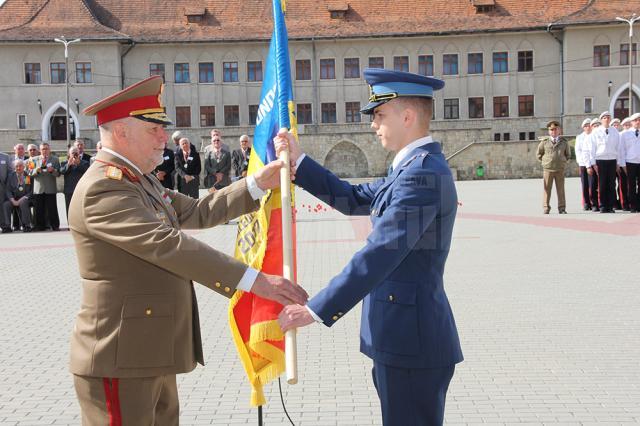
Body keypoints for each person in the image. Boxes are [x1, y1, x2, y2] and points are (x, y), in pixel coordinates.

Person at [69, 76, 308, 425]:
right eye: (154, 129)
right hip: (118, 356)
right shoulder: (104, 188)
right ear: (121, 133)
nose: (164, 137)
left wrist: (257, 184)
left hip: (148, 350)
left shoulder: (140, 179)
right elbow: (167, 245)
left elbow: (196, 211)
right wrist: (254, 281)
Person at [277, 69, 462, 426]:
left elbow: (380, 252)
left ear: (406, 117)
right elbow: (352, 198)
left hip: (412, 340)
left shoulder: (421, 175)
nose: (373, 125)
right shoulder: (409, 169)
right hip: (403, 334)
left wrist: (316, 309)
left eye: (379, 115)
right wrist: (299, 163)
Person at [536, 121, 571, 214]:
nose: (553, 131)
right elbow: (539, 154)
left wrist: (563, 162)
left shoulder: (564, 142)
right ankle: (546, 207)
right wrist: (544, 163)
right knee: (547, 189)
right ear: (549, 131)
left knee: (561, 189)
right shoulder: (544, 142)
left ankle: (562, 208)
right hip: (548, 169)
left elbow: (568, 155)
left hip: (559, 169)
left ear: (559, 130)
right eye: (551, 130)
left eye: (555, 129)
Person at [590, 111, 621, 213]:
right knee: (602, 184)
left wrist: (618, 162)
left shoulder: (615, 131)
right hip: (601, 160)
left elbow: (618, 148)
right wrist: (593, 163)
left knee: (611, 184)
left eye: (608, 117)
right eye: (604, 118)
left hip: (612, 160)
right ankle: (603, 205)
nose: (607, 119)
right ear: (601, 120)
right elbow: (592, 148)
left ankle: (610, 206)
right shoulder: (596, 132)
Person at [26, 142, 60, 231]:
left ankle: (55, 225)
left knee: (52, 208)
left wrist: (53, 170)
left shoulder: (55, 159)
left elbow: (58, 174)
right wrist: (36, 171)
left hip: (50, 187)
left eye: (46, 149)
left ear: (49, 150)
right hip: (38, 188)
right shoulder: (33, 160)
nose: (45, 151)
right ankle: (39, 226)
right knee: (39, 209)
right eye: (43, 149)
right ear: (40, 150)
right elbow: (29, 173)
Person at [3, 159, 32, 232]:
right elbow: (8, 190)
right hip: (13, 198)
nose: (18, 168)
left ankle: (26, 225)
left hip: (25, 198)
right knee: (6, 204)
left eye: (20, 166)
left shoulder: (28, 176)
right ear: (14, 167)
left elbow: (30, 191)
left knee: (23, 203)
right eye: (16, 166)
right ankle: (7, 226)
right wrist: (13, 200)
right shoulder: (10, 176)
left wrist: (20, 200)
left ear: (24, 166)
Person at [575, 118, 598, 211]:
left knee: (593, 184)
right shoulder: (580, 137)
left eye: (589, 125)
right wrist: (583, 163)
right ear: (583, 128)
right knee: (585, 184)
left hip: (593, 163)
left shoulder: (594, 136)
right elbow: (578, 151)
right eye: (586, 126)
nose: (588, 127)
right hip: (583, 164)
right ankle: (586, 202)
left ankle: (594, 202)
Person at [60, 146, 90, 217]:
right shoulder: (64, 163)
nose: (74, 155)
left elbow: (87, 171)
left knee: (81, 209)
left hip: (81, 190)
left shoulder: (84, 163)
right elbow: (62, 171)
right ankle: (70, 225)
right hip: (69, 190)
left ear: (79, 153)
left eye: (76, 153)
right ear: (69, 154)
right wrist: (68, 165)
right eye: (73, 153)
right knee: (69, 208)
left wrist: (78, 164)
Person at [620, 113, 640, 212]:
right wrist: (623, 165)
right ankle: (633, 206)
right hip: (630, 162)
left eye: (639, 120)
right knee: (631, 185)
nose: (638, 122)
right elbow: (622, 151)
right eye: (635, 120)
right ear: (631, 122)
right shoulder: (625, 134)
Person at [0, 150, 9, 233]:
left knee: (2, 207)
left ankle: (4, 226)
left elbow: (9, 171)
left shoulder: (5, 156)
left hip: (2, 186)